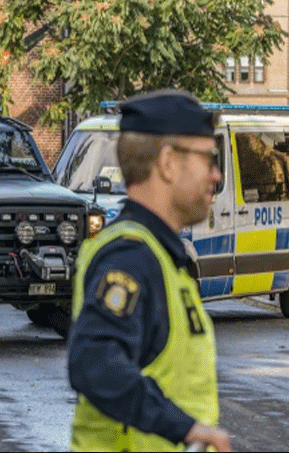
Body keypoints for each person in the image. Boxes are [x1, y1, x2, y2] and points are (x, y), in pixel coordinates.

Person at [68, 89, 232, 452]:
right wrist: (184, 429)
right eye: (209, 159)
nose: (216, 175)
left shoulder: (159, 256)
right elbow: (93, 361)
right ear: (168, 163)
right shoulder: (131, 258)